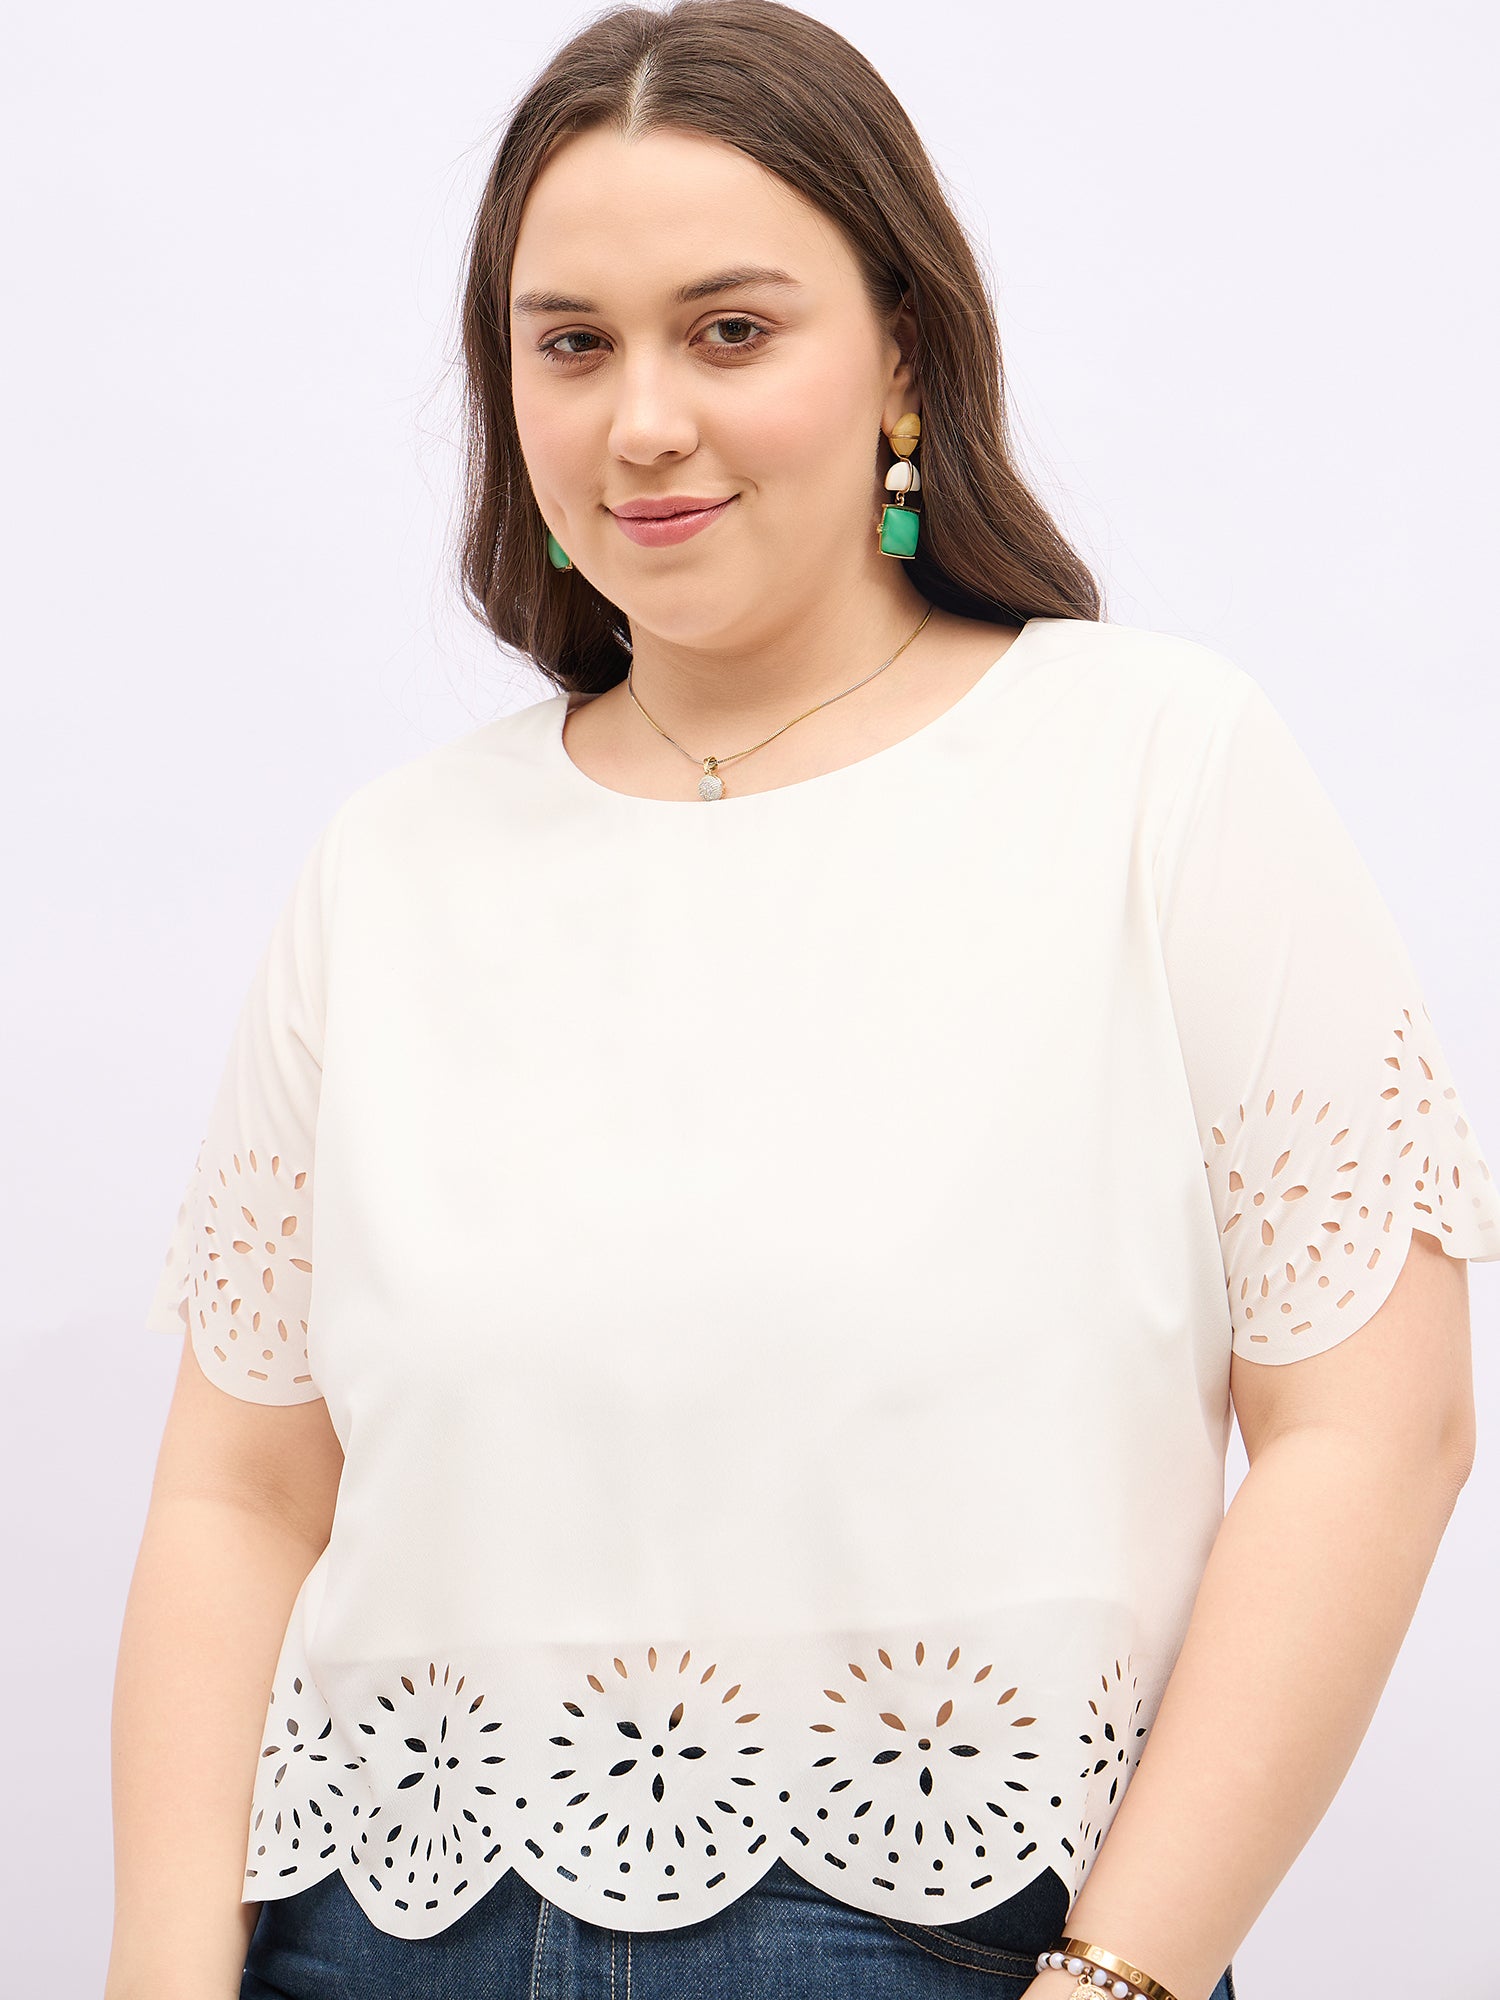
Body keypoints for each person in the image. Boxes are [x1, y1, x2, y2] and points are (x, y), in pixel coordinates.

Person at [107, 3, 1497, 1998]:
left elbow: (1377, 1423)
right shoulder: (391, 863)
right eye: (570, 343)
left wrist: (1119, 1978)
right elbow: (241, 1490)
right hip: (369, 1931)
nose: (641, 420)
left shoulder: (1151, 767)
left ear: (904, 349)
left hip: (931, 1941)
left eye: (731, 331)